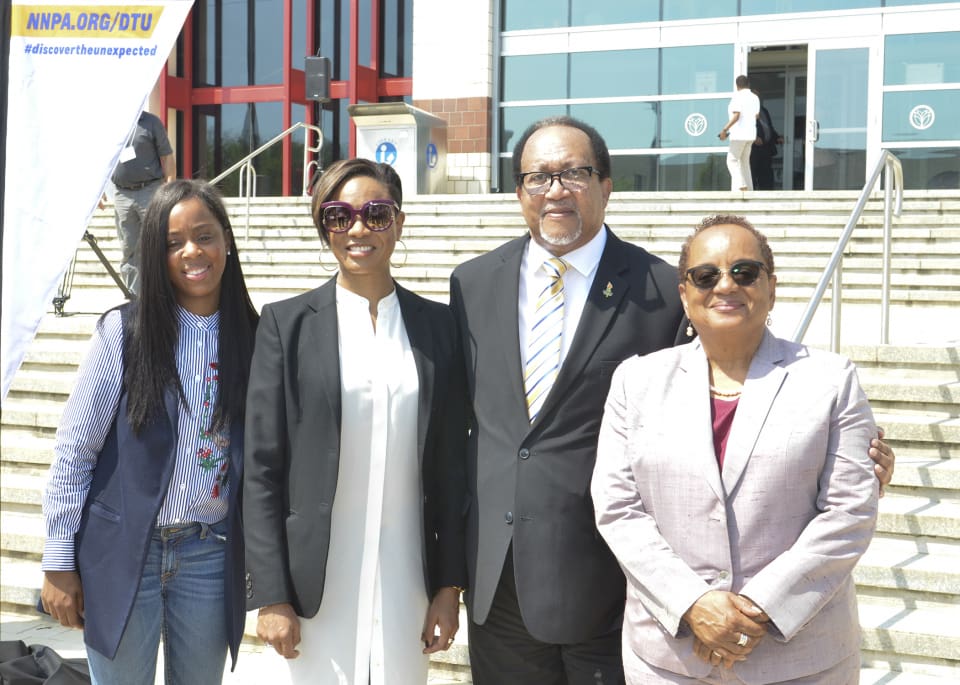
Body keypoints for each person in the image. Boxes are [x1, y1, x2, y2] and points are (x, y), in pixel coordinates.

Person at [448, 116, 896, 685]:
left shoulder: (664, 289)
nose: (556, 189)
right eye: (539, 177)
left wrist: (853, 457)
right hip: (499, 575)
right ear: (518, 192)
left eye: (575, 173)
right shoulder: (473, 282)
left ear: (607, 185)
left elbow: (725, 397)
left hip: (608, 582)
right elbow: (460, 423)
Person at [593, 215, 879, 684]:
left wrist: (759, 608)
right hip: (670, 658)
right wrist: (693, 602)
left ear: (771, 286)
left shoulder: (831, 380)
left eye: (744, 272)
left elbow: (850, 511)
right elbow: (618, 508)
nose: (726, 285)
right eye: (706, 275)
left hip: (800, 659)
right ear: (684, 294)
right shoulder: (636, 382)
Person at [243, 158, 467, 684]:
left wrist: (448, 588)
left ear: (399, 221)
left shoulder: (438, 327)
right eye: (340, 216)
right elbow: (260, 469)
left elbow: (453, 469)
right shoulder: (286, 325)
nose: (359, 229)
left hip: (408, 578)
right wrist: (271, 593)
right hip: (314, 583)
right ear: (325, 228)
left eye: (376, 213)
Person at [40, 180, 259, 684]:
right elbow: (75, 451)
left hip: (209, 553)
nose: (191, 252)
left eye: (204, 236)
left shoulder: (256, 336)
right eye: (172, 242)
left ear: (226, 239)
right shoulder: (124, 331)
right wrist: (58, 560)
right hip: (122, 554)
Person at [110, 110, 177, 294]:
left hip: (150, 190)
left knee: (156, 242)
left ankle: (161, 292)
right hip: (122, 193)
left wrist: (169, 191)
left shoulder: (151, 122)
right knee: (128, 247)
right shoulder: (111, 121)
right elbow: (100, 160)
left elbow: (167, 158)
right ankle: (135, 297)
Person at [719, 76, 760, 192]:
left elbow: (736, 115)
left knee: (731, 160)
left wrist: (724, 130)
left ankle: (741, 185)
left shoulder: (737, 97)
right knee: (744, 162)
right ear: (749, 84)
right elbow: (757, 115)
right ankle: (749, 189)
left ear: (737, 85)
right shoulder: (755, 98)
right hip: (751, 135)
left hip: (739, 135)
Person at [750, 91, 783, 191]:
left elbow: (769, 128)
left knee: (766, 175)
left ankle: (767, 194)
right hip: (753, 149)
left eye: (758, 97)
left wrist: (777, 138)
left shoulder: (764, 110)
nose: (757, 99)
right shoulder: (747, 110)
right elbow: (743, 126)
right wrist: (753, 137)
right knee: (752, 174)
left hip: (766, 148)